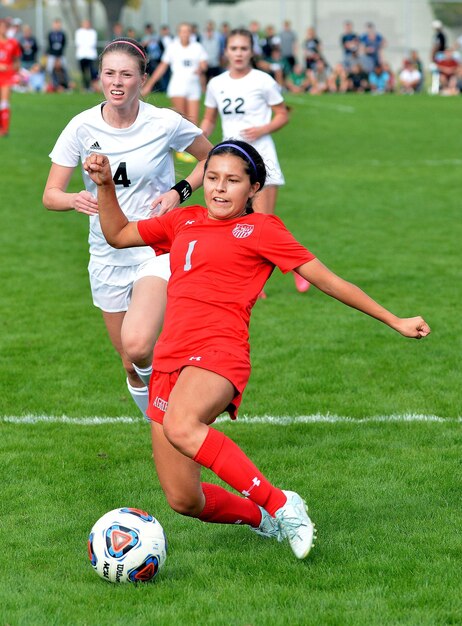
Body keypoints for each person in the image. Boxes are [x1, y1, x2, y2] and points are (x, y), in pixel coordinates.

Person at [84, 139, 431, 560]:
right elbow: (119, 234)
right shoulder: (183, 221)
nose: (219, 189)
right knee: (183, 500)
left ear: (253, 188)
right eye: (212, 178)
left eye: (232, 181)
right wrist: (104, 185)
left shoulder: (263, 230)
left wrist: (394, 319)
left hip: (219, 352)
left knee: (181, 426)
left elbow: (328, 280)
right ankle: (260, 517)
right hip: (170, 359)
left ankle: (283, 507)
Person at [43, 38, 213, 419]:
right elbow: (50, 194)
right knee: (130, 363)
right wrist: (74, 199)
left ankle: (173, 424)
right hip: (107, 252)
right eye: (109, 74)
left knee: (138, 346)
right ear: (99, 77)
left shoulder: (164, 122)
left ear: (143, 79)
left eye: (126, 74)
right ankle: (160, 421)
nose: (116, 82)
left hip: (155, 247)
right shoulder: (81, 127)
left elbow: (211, 158)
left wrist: (179, 190)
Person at [201, 28, 308, 295]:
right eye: (234, 48)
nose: (238, 53)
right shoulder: (216, 84)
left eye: (243, 48)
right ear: (226, 51)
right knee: (237, 222)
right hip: (231, 161)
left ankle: (288, 271)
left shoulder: (263, 81)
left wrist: (262, 129)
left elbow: (283, 115)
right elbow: (210, 119)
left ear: (252, 51)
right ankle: (276, 272)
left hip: (261, 158)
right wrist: (193, 138)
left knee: (261, 222)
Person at [141, 22, 208, 129]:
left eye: (187, 31)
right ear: (178, 33)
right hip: (178, 86)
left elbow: (204, 64)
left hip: (193, 86)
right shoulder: (173, 47)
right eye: (182, 31)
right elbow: (162, 66)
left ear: (190, 33)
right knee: (183, 120)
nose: (185, 34)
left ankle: (194, 144)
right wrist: (149, 85)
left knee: (194, 123)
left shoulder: (197, 47)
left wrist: (200, 69)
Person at [0, 18, 22, 137]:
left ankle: (5, 129)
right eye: (1, 27)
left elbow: (16, 61)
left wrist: (15, 73)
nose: (3, 29)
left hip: (7, 77)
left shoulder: (13, 43)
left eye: (5, 27)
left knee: (4, 101)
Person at [75, 19, 98, 91]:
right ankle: (85, 86)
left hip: (90, 55)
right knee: (83, 72)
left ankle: (92, 86)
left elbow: (92, 43)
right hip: (81, 55)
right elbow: (78, 42)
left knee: (92, 71)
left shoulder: (93, 32)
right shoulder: (79, 32)